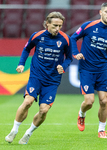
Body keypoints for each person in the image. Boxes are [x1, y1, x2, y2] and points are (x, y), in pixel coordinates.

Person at [5, 12, 72, 144]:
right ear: (47, 24)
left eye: (60, 26)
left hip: (52, 80)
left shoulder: (65, 39)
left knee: (44, 110)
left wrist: (63, 67)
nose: (57, 29)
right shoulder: (37, 36)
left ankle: (28, 133)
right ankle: (14, 130)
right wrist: (21, 64)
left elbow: (69, 57)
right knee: (28, 101)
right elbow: (26, 49)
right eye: (54, 25)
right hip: (36, 76)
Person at [71, 2, 107, 138]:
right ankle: (81, 114)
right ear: (100, 12)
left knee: (104, 101)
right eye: (106, 12)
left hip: (102, 70)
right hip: (86, 69)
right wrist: (76, 53)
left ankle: (101, 129)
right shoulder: (88, 26)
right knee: (89, 101)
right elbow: (72, 38)